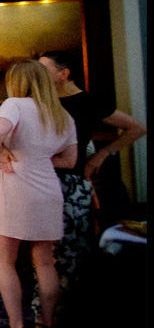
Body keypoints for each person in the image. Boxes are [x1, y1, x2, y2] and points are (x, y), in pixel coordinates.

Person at [37, 50, 146, 309]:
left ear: (63, 74)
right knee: (44, 253)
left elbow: (137, 128)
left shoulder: (87, 102)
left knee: (72, 250)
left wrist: (102, 156)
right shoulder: (42, 101)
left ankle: (70, 314)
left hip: (71, 184)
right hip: (43, 181)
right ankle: (47, 311)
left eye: (44, 69)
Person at [0, 60, 76, 328]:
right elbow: (69, 161)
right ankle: (46, 326)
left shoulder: (14, 104)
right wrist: (37, 159)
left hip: (15, 188)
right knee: (45, 262)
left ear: (17, 82)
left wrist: (1, 152)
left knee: (6, 261)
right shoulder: (60, 113)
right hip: (47, 190)